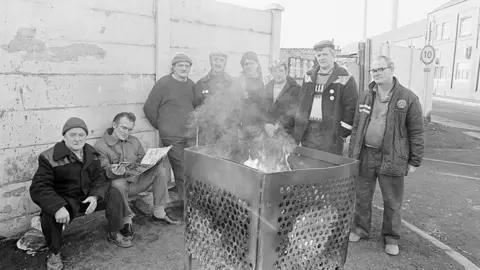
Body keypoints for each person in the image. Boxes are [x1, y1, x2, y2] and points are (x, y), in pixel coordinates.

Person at [348, 55, 425, 256]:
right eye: (374, 70)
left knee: (392, 200)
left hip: (392, 156)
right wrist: (353, 153)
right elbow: (357, 126)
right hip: (366, 154)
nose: (376, 73)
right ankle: (360, 229)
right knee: (362, 195)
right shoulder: (365, 95)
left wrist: (414, 160)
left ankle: (391, 238)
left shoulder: (408, 98)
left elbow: (416, 131)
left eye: (381, 69)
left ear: (392, 69)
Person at [30, 117, 129, 270]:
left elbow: (100, 178)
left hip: (87, 198)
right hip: (65, 201)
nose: (77, 139)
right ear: (64, 136)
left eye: (81, 135)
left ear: (86, 136)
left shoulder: (91, 153)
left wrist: (95, 196)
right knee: (49, 213)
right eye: (72, 135)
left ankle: (115, 231)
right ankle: (54, 252)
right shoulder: (49, 157)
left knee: (114, 193)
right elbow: (39, 187)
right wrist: (57, 207)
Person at [94, 112, 180, 240]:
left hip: (136, 182)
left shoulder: (134, 141)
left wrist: (154, 160)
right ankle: (126, 221)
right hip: (117, 191)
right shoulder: (100, 146)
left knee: (160, 169)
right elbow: (101, 173)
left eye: (129, 129)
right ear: (114, 125)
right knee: (118, 183)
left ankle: (159, 212)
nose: (126, 132)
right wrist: (113, 172)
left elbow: (142, 160)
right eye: (124, 128)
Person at [143, 53, 196, 201]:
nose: (184, 68)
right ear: (173, 67)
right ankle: (188, 207)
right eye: (180, 65)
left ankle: (192, 200)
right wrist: (162, 127)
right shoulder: (164, 83)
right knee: (181, 170)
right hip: (172, 136)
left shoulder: (191, 84)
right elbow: (149, 108)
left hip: (189, 135)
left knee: (192, 169)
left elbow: (196, 107)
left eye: (187, 66)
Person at [293, 40, 358, 155]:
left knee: (328, 166)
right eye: (318, 55)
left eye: (325, 54)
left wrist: (342, 133)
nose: (321, 58)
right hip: (309, 131)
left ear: (333, 55)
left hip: (331, 133)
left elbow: (351, 108)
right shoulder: (308, 76)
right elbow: (301, 104)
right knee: (307, 165)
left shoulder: (346, 78)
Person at [194, 51, 233, 145]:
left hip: (227, 132)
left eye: (221, 60)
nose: (218, 63)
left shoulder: (233, 83)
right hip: (207, 133)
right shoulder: (201, 83)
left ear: (225, 63)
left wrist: (232, 127)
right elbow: (196, 106)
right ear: (211, 62)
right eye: (215, 60)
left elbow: (238, 108)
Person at [231, 51, 268, 141]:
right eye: (245, 64)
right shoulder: (238, 82)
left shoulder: (266, 81)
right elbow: (233, 105)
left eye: (251, 63)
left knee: (259, 153)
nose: (248, 66)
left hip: (262, 127)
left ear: (257, 64)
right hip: (243, 127)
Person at [263, 60, 301, 139]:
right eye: (275, 71)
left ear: (286, 71)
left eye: (281, 70)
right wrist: (266, 123)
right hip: (268, 131)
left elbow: (294, 110)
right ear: (271, 73)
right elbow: (263, 108)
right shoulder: (267, 87)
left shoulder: (295, 88)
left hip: (286, 132)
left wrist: (278, 125)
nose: (278, 74)